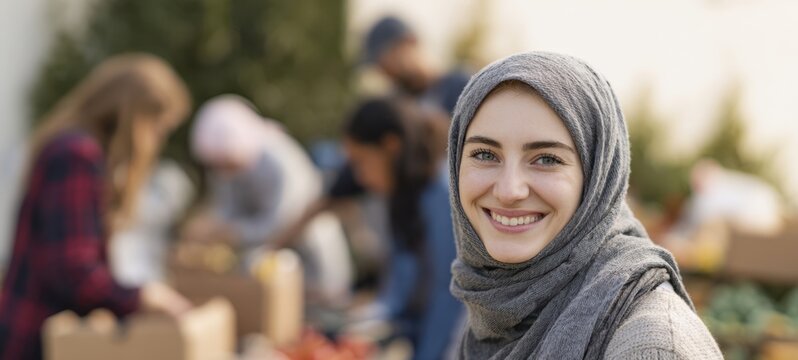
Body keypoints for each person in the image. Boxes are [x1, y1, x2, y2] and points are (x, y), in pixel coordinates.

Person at [447, 52, 722, 359]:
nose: (509, 190)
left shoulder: (653, 346)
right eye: (485, 154)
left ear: (597, 178)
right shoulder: (490, 304)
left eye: (547, 159)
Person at [0, 54, 193, 359]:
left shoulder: (75, 149)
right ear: (136, 117)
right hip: (38, 340)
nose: (157, 141)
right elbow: (72, 268)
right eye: (159, 128)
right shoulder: (77, 156)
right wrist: (142, 298)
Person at [189, 95, 353, 306]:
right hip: (266, 269)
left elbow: (281, 225)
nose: (224, 172)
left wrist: (230, 232)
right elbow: (226, 208)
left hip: (311, 262)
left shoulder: (280, 163)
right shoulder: (225, 164)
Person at [343, 98, 462, 359]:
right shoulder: (405, 196)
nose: (359, 177)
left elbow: (449, 295)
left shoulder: (443, 196)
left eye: (361, 161)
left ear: (390, 146)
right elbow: (398, 288)